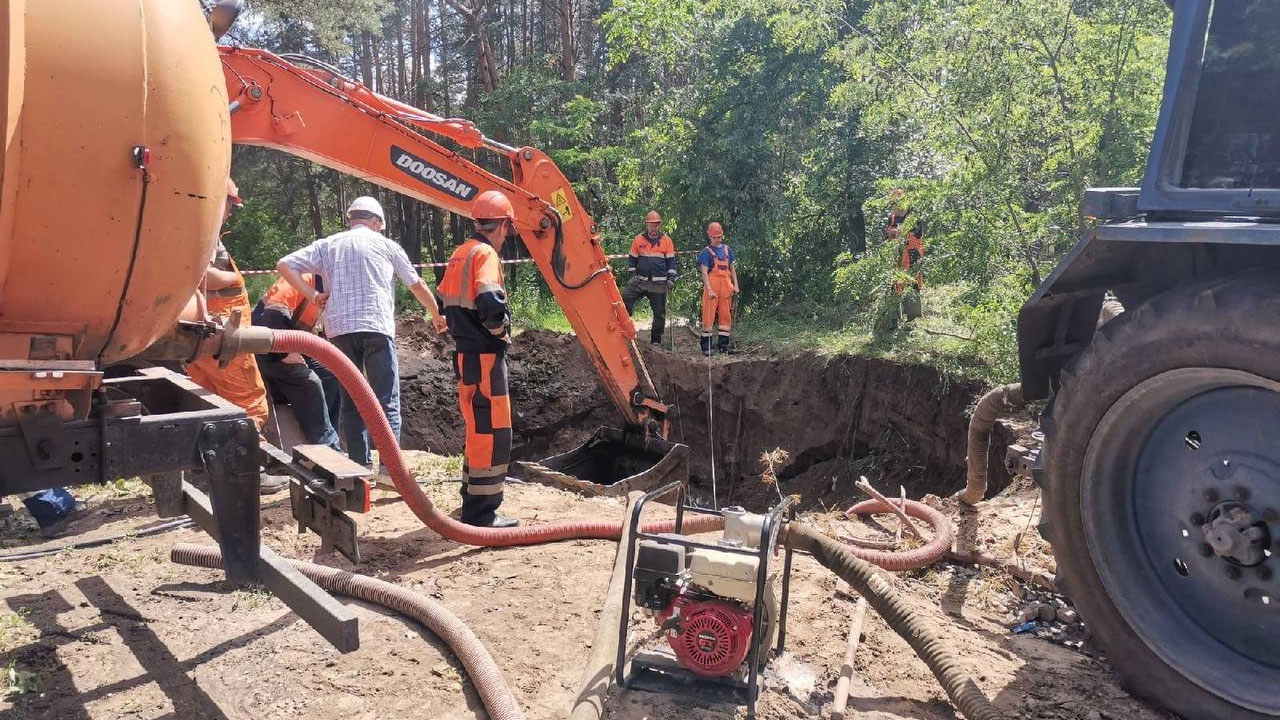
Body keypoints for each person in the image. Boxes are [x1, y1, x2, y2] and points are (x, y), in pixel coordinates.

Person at [277, 196, 447, 481]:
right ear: (377, 222)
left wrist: (314, 297)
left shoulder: (329, 244)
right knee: (386, 400)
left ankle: (358, 470)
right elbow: (416, 284)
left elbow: (285, 264)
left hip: (340, 330)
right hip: (376, 327)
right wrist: (435, 313)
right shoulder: (386, 245)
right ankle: (390, 471)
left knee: (352, 399)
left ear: (352, 219)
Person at [438, 190, 518, 528]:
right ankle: (482, 514)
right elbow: (489, 300)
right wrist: (501, 331)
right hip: (485, 356)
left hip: (465, 355)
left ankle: (472, 498)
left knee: (476, 428)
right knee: (493, 432)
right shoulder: (484, 254)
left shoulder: (460, 253)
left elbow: (443, 300)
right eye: (507, 229)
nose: (506, 236)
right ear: (501, 224)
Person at [251, 272, 341, 450]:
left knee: (332, 375)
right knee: (310, 382)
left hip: (292, 347)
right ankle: (327, 446)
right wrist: (287, 354)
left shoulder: (325, 287)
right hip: (266, 350)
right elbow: (272, 317)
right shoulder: (300, 281)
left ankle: (328, 431)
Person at [621, 210, 677, 345]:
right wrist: (633, 275)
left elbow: (671, 262)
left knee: (659, 313)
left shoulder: (666, 241)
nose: (654, 228)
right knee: (624, 299)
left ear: (660, 225)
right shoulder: (638, 239)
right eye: (652, 225)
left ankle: (656, 340)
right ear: (647, 225)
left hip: (659, 284)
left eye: (656, 225)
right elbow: (632, 259)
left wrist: (671, 278)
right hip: (640, 282)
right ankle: (623, 329)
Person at [697, 222, 739, 356]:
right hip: (713, 288)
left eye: (719, 237)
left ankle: (724, 345)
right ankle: (706, 347)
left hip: (726, 288)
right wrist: (709, 289)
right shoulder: (706, 252)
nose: (717, 239)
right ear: (710, 236)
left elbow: (732, 269)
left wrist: (736, 285)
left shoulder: (727, 250)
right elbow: (704, 272)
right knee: (708, 318)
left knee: (725, 318)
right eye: (715, 237)